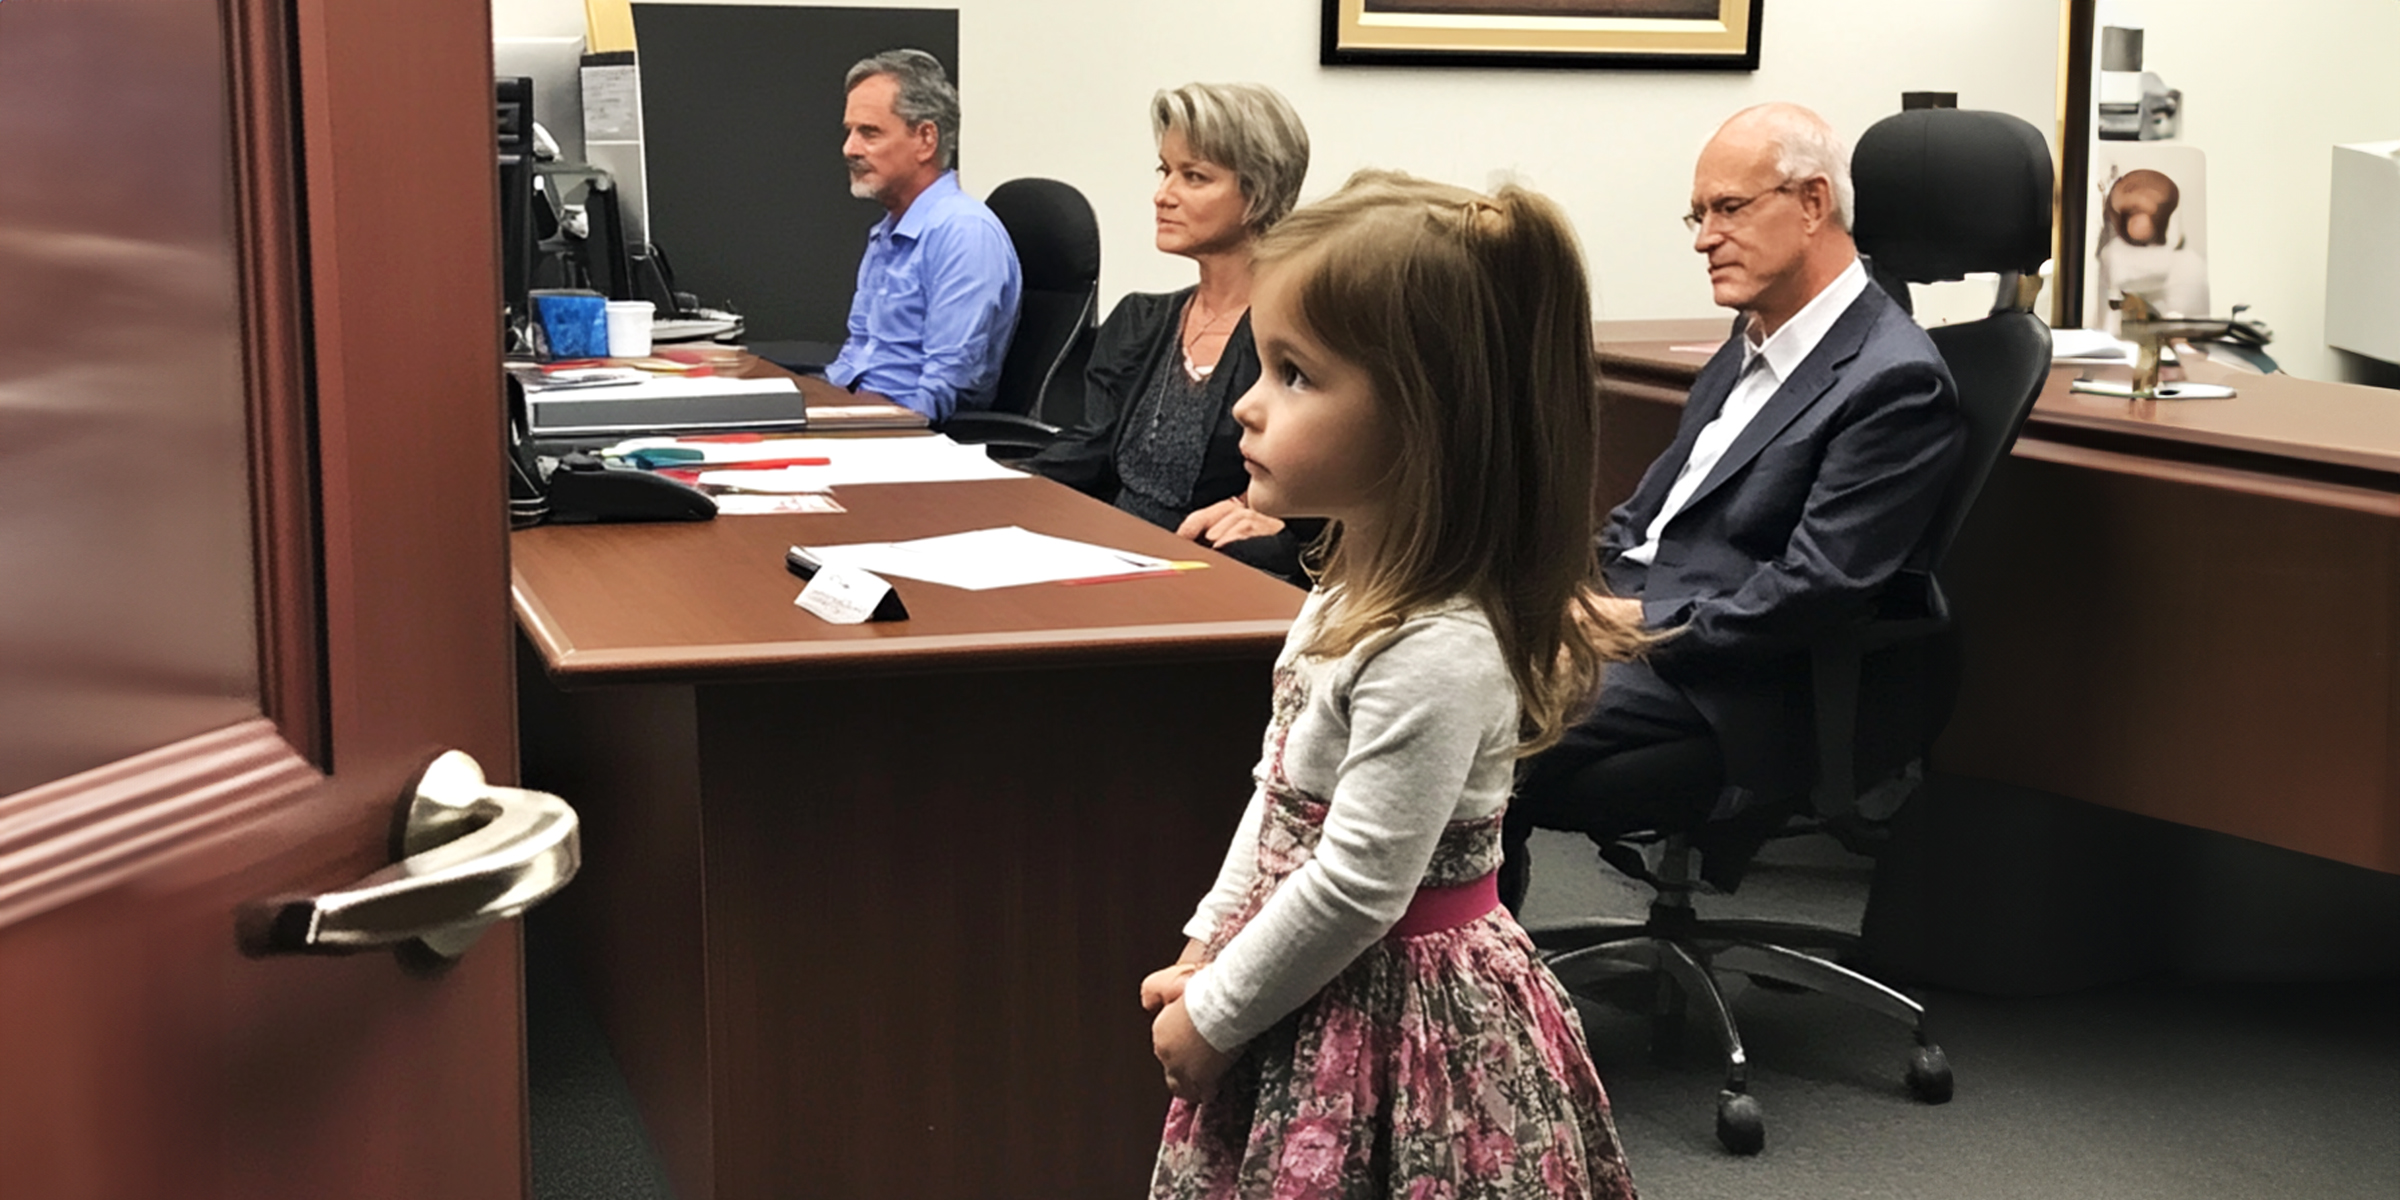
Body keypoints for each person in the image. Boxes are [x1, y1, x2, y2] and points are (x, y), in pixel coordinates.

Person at [1139, 171, 1646, 1199]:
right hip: (1310, 982)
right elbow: (1279, 797)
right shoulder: (1345, 591)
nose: (1246, 402)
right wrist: (1208, 942)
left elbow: (1362, 883)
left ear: (1423, 423)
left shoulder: (1438, 642)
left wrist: (1220, 1011)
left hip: (1402, 1025)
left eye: (1293, 375)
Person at [1505, 103, 1966, 902]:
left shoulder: (1894, 378)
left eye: (1729, 209)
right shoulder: (1752, 339)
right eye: (1698, 213)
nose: (1702, 237)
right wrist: (1567, 596)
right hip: (1642, 635)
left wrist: (1642, 627)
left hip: (1736, 680)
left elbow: (1817, 589)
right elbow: (1647, 519)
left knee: (1473, 721)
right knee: (1426, 668)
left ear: (1813, 203)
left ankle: (1466, 1007)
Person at [1023, 82, 1316, 583]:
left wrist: (1277, 520)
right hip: (1108, 561)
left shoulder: (1302, 336)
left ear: (1259, 192)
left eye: (1194, 177)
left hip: (1210, 580)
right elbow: (1085, 455)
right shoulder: (1139, 321)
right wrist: (978, 486)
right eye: (1164, 171)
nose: (1163, 195)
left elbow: (1329, 482)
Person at [824, 49, 1022, 422]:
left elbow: (942, 392)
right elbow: (857, 357)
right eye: (849, 132)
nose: (849, 148)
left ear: (926, 139)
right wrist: (810, 409)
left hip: (901, 437)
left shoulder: (963, 234)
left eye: (869, 132)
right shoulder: (888, 231)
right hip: (857, 417)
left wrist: (847, 427)